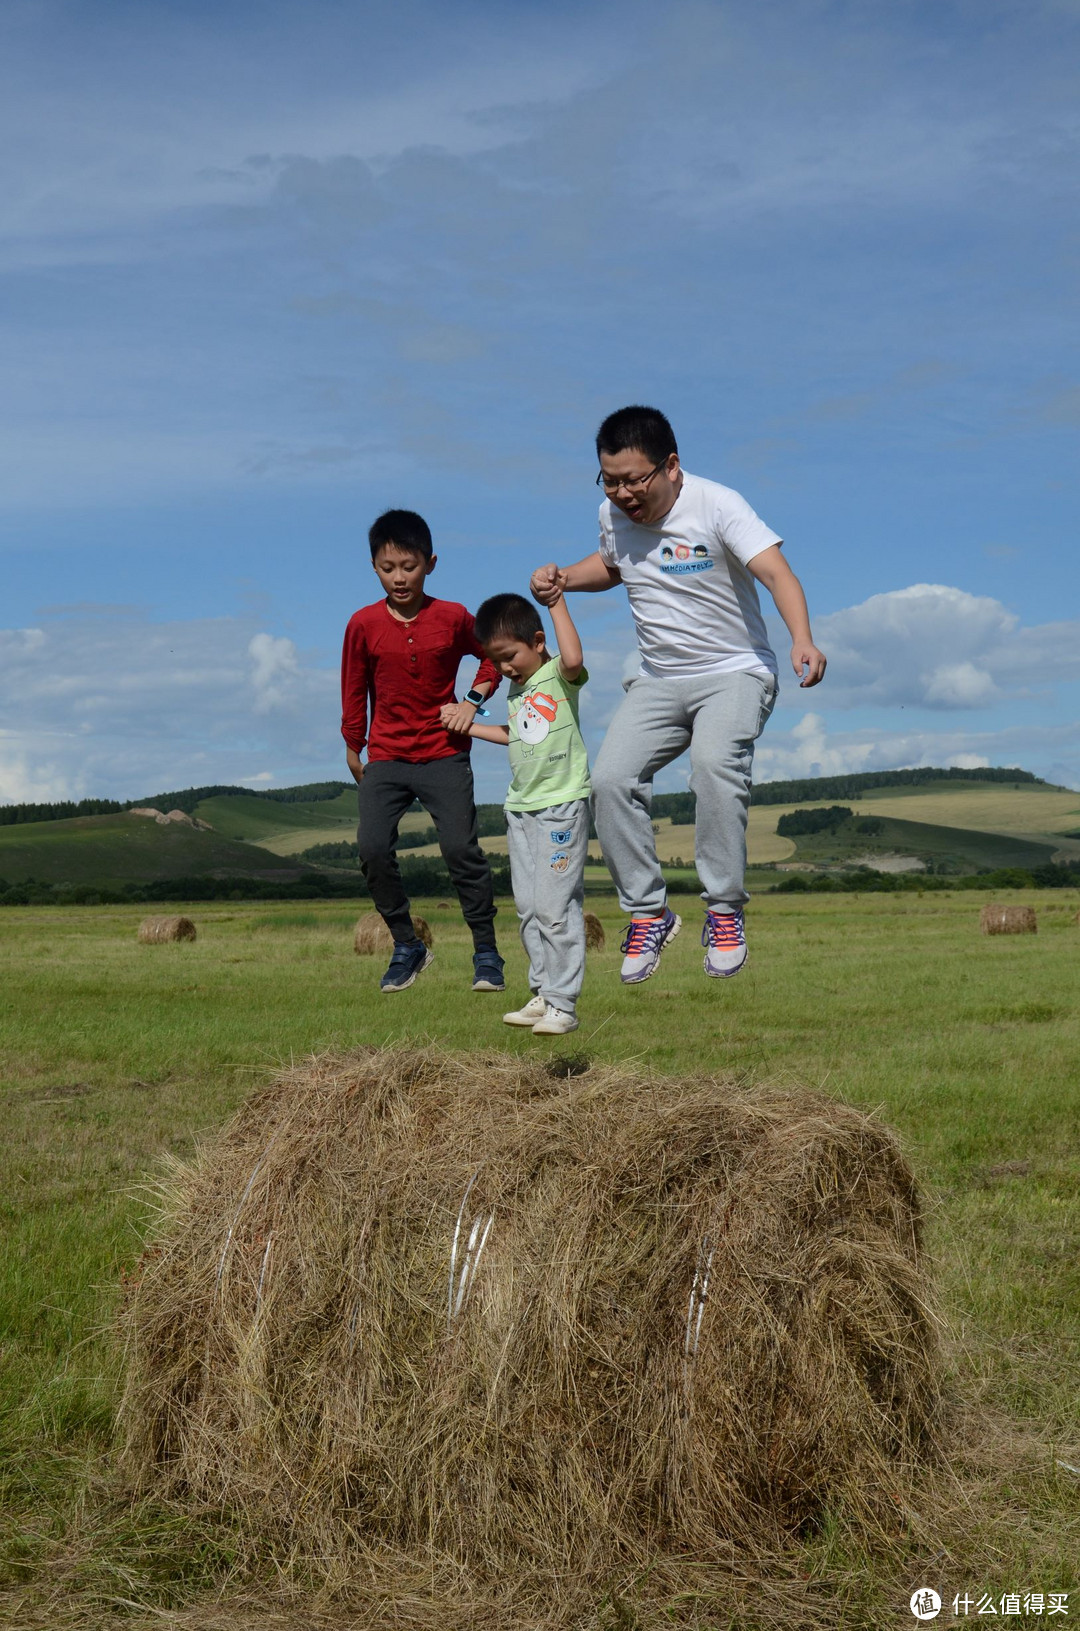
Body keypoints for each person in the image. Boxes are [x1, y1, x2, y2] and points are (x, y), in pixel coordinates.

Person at [531, 405, 826, 985]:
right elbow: (614, 565)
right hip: (658, 679)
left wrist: (803, 639)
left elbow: (777, 574)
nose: (623, 493)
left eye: (635, 479)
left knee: (714, 767)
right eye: (610, 481)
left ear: (671, 465)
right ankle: (649, 913)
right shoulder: (611, 516)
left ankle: (723, 910)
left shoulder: (718, 504)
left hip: (734, 672)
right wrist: (565, 576)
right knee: (610, 780)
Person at [341, 508, 506, 993]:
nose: (398, 578)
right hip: (386, 756)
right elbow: (354, 688)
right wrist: (354, 745)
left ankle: (487, 953)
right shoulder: (362, 624)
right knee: (371, 849)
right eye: (387, 568)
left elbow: (493, 657)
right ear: (374, 567)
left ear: (430, 563)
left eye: (408, 567)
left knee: (461, 851)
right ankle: (407, 945)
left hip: (444, 754)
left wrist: (471, 703)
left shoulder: (453, 617)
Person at [442, 590, 590, 1036]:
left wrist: (556, 600)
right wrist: (469, 724)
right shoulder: (515, 689)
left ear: (538, 641)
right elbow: (517, 735)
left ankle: (564, 1003)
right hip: (521, 808)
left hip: (561, 806)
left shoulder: (558, 676)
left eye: (509, 656)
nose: (504, 667)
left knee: (555, 906)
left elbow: (574, 655)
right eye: (496, 659)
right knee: (528, 908)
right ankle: (544, 992)